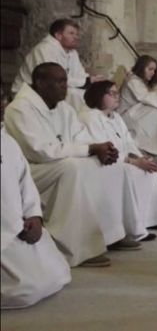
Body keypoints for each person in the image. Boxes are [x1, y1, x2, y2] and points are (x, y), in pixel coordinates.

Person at [3, 63, 149, 267]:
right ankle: (73, 247)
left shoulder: (64, 109)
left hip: (57, 163)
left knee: (112, 166)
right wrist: (89, 150)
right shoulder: (19, 108)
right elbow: (41, 151)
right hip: (31, 171)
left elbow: (81, 137)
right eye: (60, 81)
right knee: (73, 168)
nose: (65, 86)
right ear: (40, 83)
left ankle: (111, 233)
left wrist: (101, 149)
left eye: (65, 81)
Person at [1, 88, 71, 309]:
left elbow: (25, 182)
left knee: (56, 275)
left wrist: (34, 215)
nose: (2, 104)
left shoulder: (7, 143)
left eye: (1, 98)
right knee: (24, 290)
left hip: (17, 226)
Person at [79, 80, 157, 234]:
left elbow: (129, 142)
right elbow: (101, 147)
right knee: (130, 172)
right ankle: (134, 227)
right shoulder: (90, 117)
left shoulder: (116, 117)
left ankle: (154, 218)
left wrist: (140, 157)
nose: (116, 96)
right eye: (111, 93)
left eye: (117, 93)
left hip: (123, 160)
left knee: (148, 171)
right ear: (98, 95)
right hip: (104, 162)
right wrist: (133, 161)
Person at [11, 18, 104, 110]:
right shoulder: (45, 49)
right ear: (58, 35)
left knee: (93, 94)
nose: (76, 37)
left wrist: (92, 81)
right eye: (71, 33)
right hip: (31, 94)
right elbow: (52, 79)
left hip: (59, 88)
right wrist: (86, 81)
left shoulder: (72, 53)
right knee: (77, 96)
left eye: (77, 34)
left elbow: (79, 74)